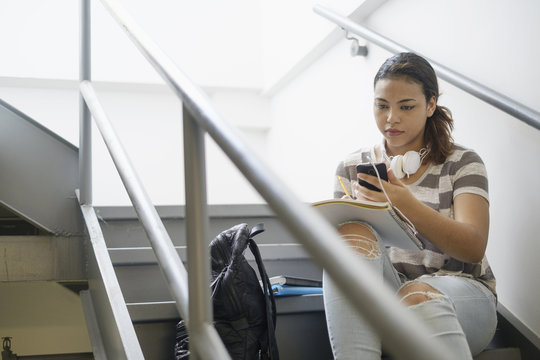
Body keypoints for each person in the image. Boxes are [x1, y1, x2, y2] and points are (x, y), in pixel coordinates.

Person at [323, 52, 497, 359]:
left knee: (416, 296)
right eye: (381, 106)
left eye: (406, 106)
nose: (391, 118)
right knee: (351, 232)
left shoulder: (462, 163)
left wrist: (406, 203)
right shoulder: (352, 168)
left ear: (430, 105)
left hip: (460, 293)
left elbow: (473, 247)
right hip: (387, 301)